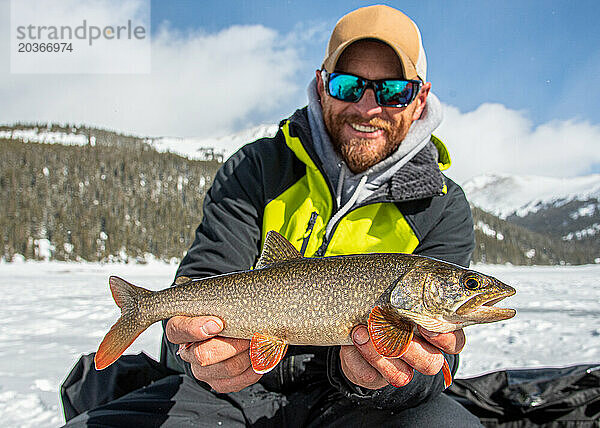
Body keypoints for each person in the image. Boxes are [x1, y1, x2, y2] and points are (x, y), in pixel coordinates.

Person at [63, 5, 480, 427]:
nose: (368, 106)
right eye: (348, 85)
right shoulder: (257, 168)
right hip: (230, 391)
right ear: (321, 87)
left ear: (420, 97)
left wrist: (392, 377)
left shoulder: (442, 206)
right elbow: (205, 276)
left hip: (359, 406)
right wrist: (193, 347)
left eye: (392, 91)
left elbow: (438, 365)